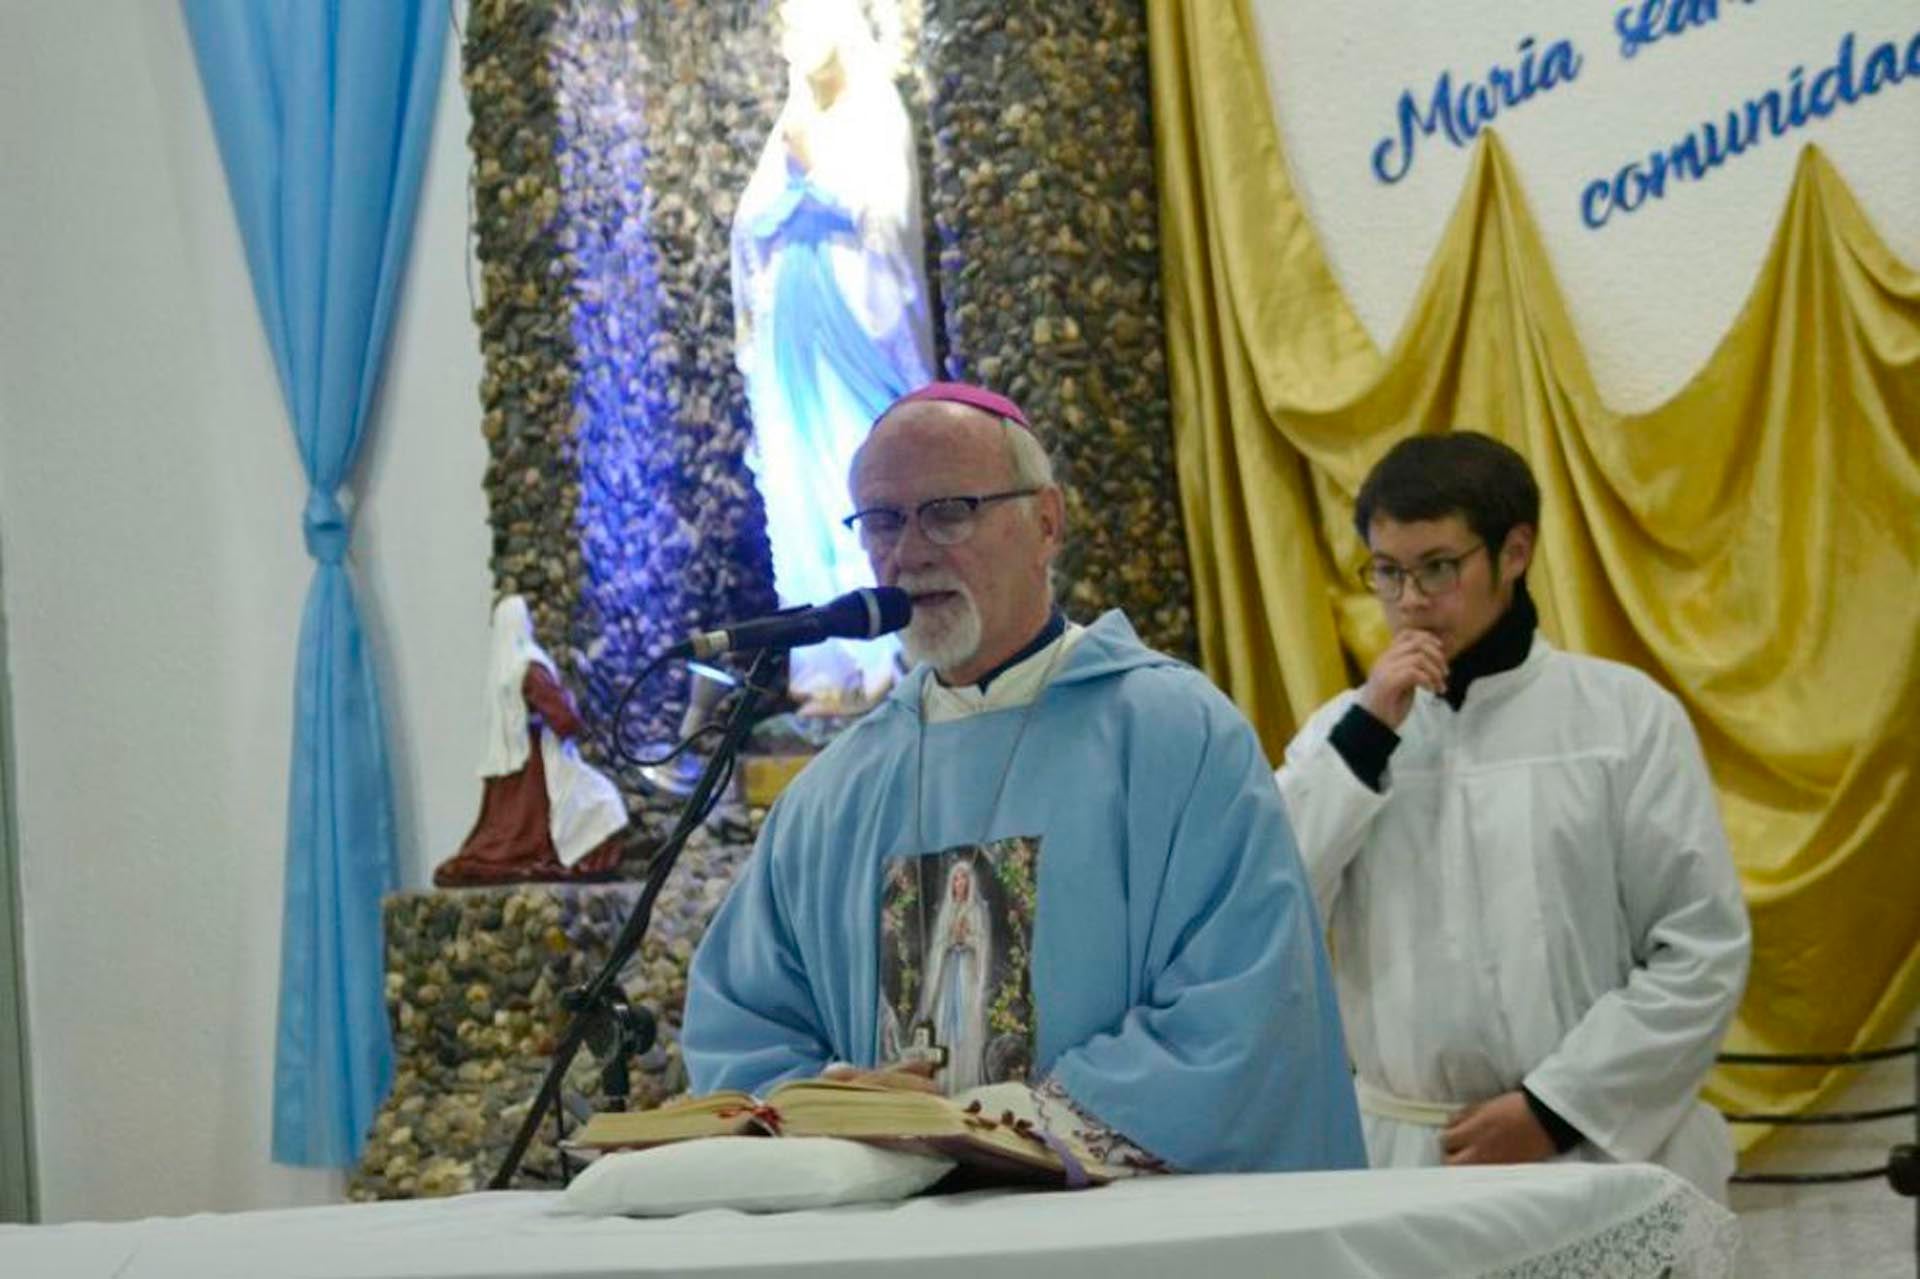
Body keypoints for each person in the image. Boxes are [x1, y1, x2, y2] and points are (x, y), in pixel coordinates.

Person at [683, 383, 1364, 1175]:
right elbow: (743, 1024)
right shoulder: (832, 791)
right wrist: (839, 1101)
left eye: (948, 511)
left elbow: (1241, 1005)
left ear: (1046, 522)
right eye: (882, 520)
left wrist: (1003, 1125)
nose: (908, 553)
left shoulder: (1176, 735)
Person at [1275, 431, 1751, 1199]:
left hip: (1593, 1154)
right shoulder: (1347, 732)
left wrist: (1552, 1110)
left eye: (1437, 567)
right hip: (1407, 1155)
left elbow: (1699, 946)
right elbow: (1271, 905)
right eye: (1388, 572)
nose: (1411, 601)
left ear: (1515, 550)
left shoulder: (1623, 719)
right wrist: (1367, 732)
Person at [730, 0, 935, 713]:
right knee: (801, 495)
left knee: (863, 483)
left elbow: (886, 218)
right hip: (795, 341)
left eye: (802, 19)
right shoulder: (793, 123)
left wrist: (814, 177)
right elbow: (749, 226)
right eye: (783, 25)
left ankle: (890, 653)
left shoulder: (875, 114)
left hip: (854, 330)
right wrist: (794, 183)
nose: (791, 39)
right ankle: (826, 666)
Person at [433, 596, 629, 886]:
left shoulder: (502, 671)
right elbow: (565, 719)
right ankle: (587, 860)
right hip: (539, 762)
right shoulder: (528, 667)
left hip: (513, 764)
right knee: (601, 799)